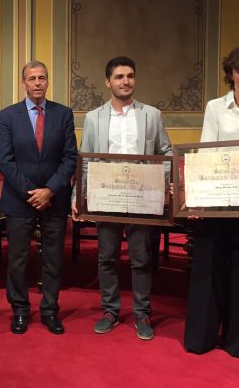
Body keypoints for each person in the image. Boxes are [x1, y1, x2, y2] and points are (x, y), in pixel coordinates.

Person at [71, 56, 171, 341]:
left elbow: (165, 153)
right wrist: (79, 197)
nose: (125, 81)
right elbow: (86, 160)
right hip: (107, 196)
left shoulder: (151, 115)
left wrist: (160, 184)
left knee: (141, 258)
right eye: (119, 77)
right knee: (107, 258)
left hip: (142, 197)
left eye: (130, 76)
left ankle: (142, 313)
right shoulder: (94, 117)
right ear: (108, 82)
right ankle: (110, 311)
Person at [183, 46, 239, 357]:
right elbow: (206, 151)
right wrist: (196, 200)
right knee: (209, 265)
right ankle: (201, 337)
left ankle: (238, 342)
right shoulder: (215, 107)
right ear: (231, 74)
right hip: (219, 198)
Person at [0, 61, 77, 335]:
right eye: (32, 78)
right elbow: (5, 161)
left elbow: (69, 158)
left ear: (47, 81)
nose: (37, 83)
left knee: (53, 258)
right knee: (18, 258)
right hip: (20, 199)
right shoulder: (8, 116)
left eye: (42, 78)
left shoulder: (63, 114)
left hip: (55, 198)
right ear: (24, 84)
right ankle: (19, 310)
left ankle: (50, 310)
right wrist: (32, 193)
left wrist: (50, 190)